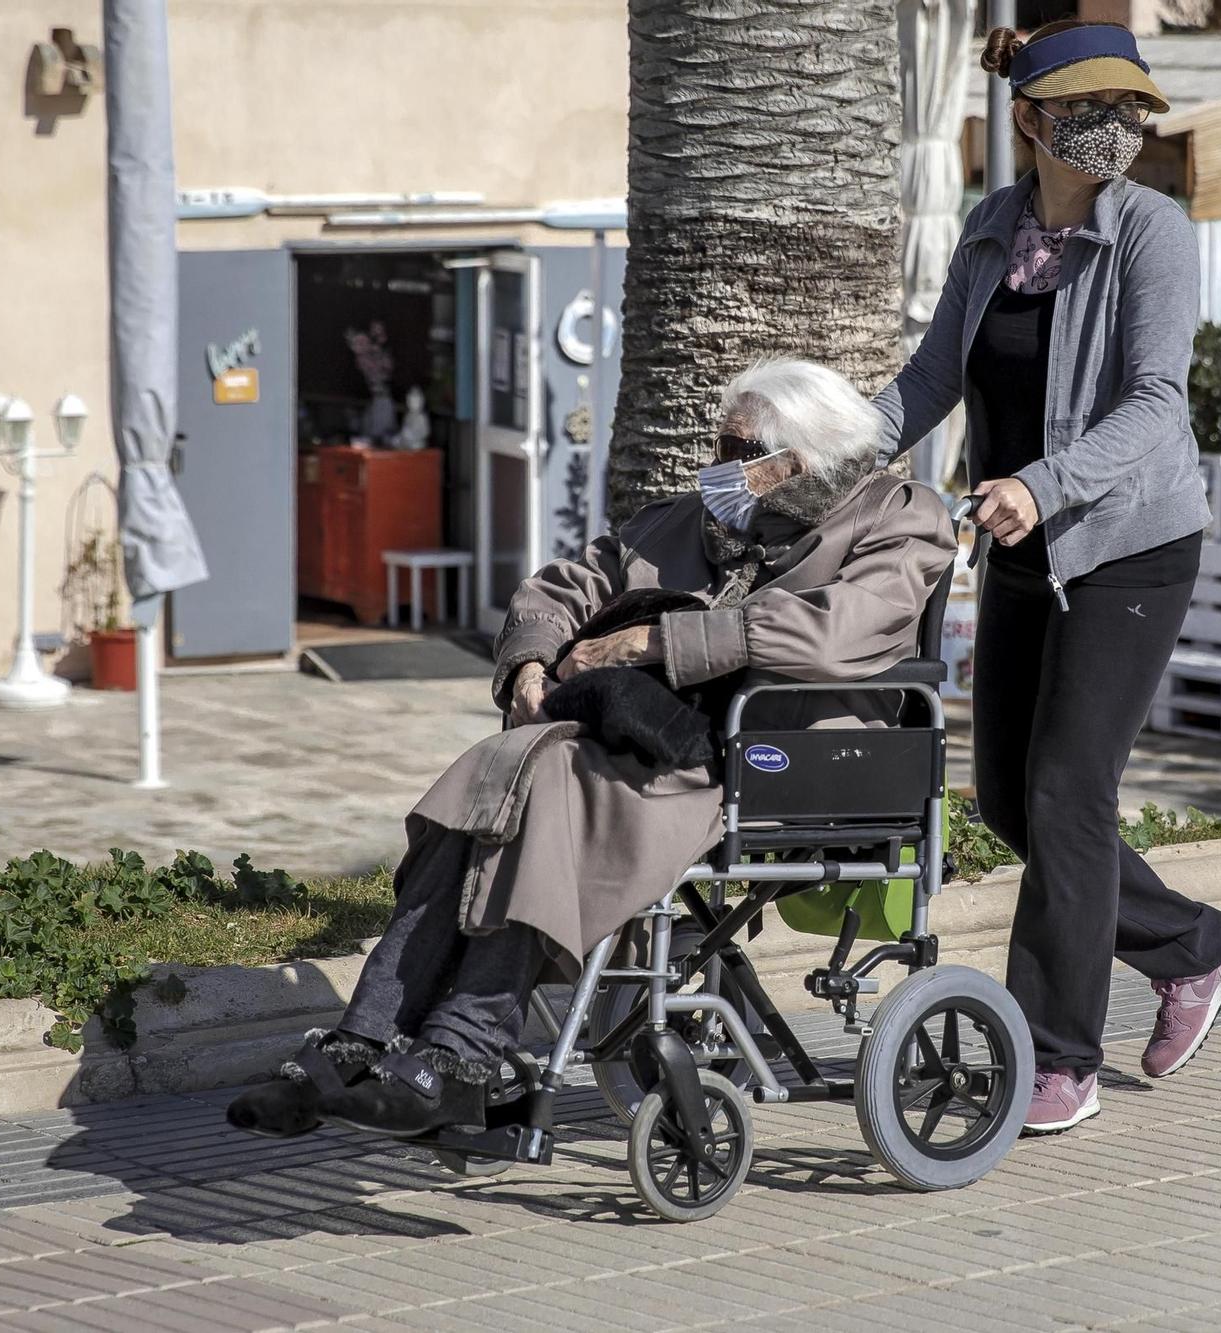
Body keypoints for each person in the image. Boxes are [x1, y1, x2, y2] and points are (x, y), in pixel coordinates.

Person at [227, 360, 954, 1139]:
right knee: (495, 773)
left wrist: (656, 640)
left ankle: (463, 1050)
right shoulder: (691, 518)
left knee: (547, 789)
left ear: (797, 462)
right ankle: (365, 1039)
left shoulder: (900, 518)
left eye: (735, 447)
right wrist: (531, 660)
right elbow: (568, 584)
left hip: (775, 751)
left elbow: (838, 629)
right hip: (649, 741)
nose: (714, 463)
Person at [872, 20, 1221, 1135]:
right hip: (1023, 543)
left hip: (1127, 548)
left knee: (1066, 791)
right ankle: (1197, 947)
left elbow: (1154, 402)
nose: (1118, 130)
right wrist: (812, 447)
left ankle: (1056, 1056)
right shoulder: (991, 231)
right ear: (1030, 121)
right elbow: (929, 380)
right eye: (1091, 111)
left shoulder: (1151, 231)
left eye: (1132, 110)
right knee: (1004, 794)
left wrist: (1040, 484)